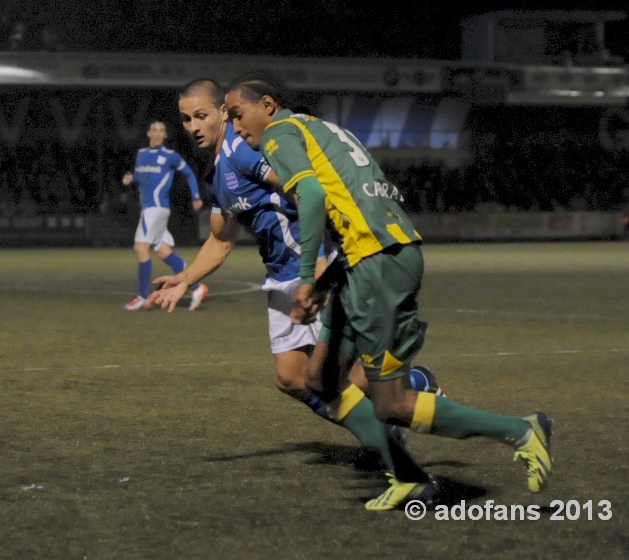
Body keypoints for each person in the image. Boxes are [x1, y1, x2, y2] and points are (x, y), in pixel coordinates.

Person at [224, 72, 552, 510]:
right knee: (320, 379)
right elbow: (352, 198)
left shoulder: (279, 133)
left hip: (378, 261)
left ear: (266, 105)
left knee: (391, 404)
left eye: (236, 113)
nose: (234, 124)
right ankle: (407, 476)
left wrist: (306, 277)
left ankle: (523, 429)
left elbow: (313, 195)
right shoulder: (319, 127)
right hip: (367, 257)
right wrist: (328, 280)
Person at [151, 78, 439, 486]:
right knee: (291, 378)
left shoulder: (247, 151)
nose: (193, 125)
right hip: (279, 279)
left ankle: (412, 392)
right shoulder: (215, 172)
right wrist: (184, 278)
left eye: (201, 115)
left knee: (342, 380)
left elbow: (309, 190)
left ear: (222, 113)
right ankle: (386, 435)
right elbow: (220, 239)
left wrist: (320, 260)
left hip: (313, 273)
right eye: (185, 119)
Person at [122, 119, 209, 311]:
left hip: (156, 207)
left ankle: (143, 296)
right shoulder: (142, 154)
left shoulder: (170, 156)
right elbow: (141, 176)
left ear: (165, 135)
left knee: (140, 248)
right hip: (148, 208)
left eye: (161, 130)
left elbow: (189, 174)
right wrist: (131, 179)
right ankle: (196, 287)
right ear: (148, 133)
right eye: (154, 129)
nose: (157, 133)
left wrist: (195, 196)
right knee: (163, 251)